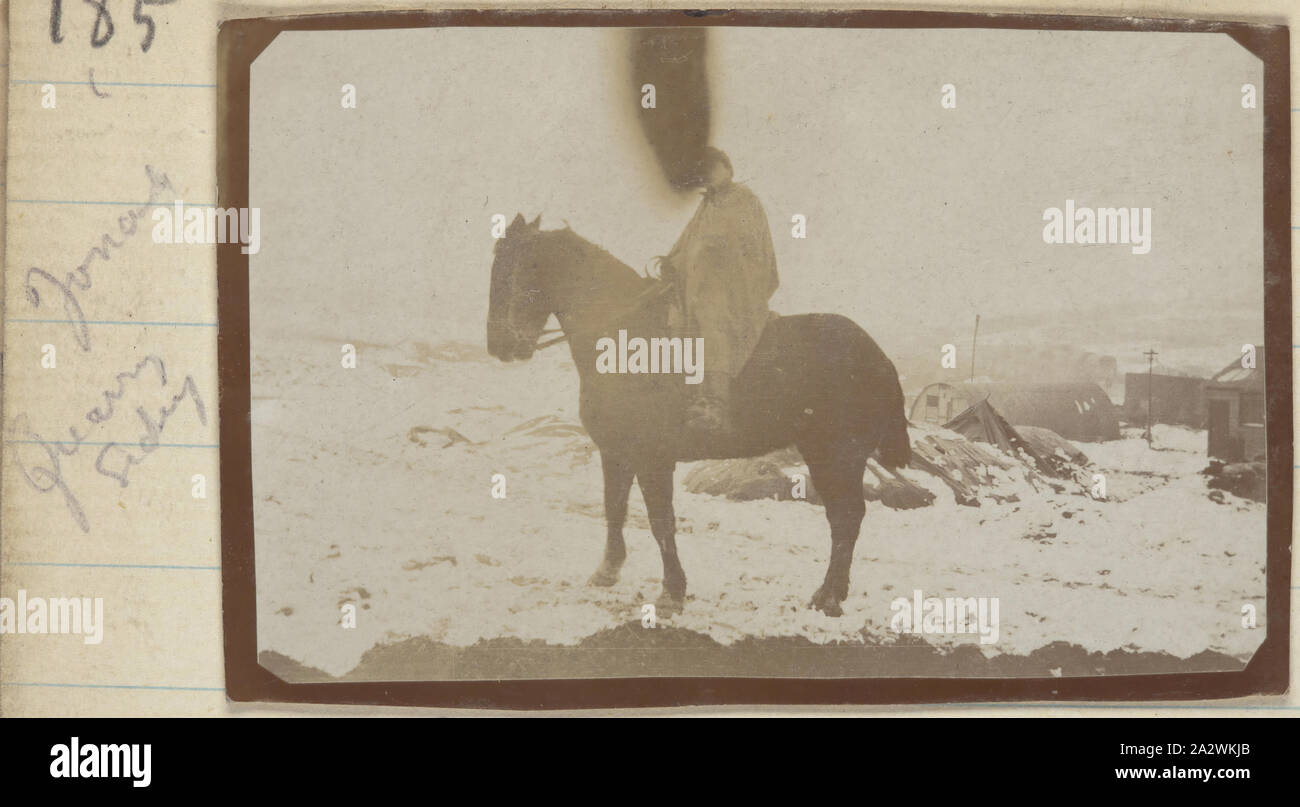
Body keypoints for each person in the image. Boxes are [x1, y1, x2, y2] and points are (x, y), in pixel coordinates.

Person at [661, 147, 779, 433]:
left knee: (712, 321)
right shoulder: (707, 206)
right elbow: (686, 242)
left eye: (712, 168)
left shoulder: (743, 199)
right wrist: (672, 261)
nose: (707, 176)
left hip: (734, 286)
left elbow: (748, 243)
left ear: (727, 168)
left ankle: (717, 403)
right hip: (699, 287)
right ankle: (690, 396)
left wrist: (713, 247)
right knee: (673, 320)